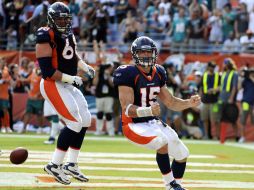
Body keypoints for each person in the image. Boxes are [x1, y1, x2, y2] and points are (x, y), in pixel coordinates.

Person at [113, 36, 201, 190]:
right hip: (133, 125)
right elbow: (127, 108)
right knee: (161, 141)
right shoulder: (127, 72)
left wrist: (188, 103)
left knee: (182, 154)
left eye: (149, 52)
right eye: (142, 53)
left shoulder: (159, 72)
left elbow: (171, 102)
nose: (146, 56)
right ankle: (170, 184)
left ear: (154, 53)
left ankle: (176, 186)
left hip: (153, 122)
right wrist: (148, 110)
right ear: (135, 54)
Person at [36, 2, 95, 185]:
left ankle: (71, 164)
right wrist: (72, 78)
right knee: (74, 122)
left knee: (85, 120)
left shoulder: (68, 34)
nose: (63, 22)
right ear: (51, 19)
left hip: (66, 82)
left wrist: (84, 66)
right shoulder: (46, 34)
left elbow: (72, 55)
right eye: (59, 18)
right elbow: (47, 71)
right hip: (52, 82)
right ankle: (54, 164)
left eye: (65, 19)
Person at [200, 61, 220, 139]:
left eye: (213, 67)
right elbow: (201, 87)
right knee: (205, 119)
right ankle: (206, 135)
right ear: (208, 67)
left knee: (215, 120)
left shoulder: (218, 76)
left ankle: (216, 135)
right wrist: (200, 98)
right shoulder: (204, 75)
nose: (212, 68)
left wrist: (213, 89)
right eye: (211, 67)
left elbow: (221, 87)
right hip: (205, 100)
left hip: (214, 100)